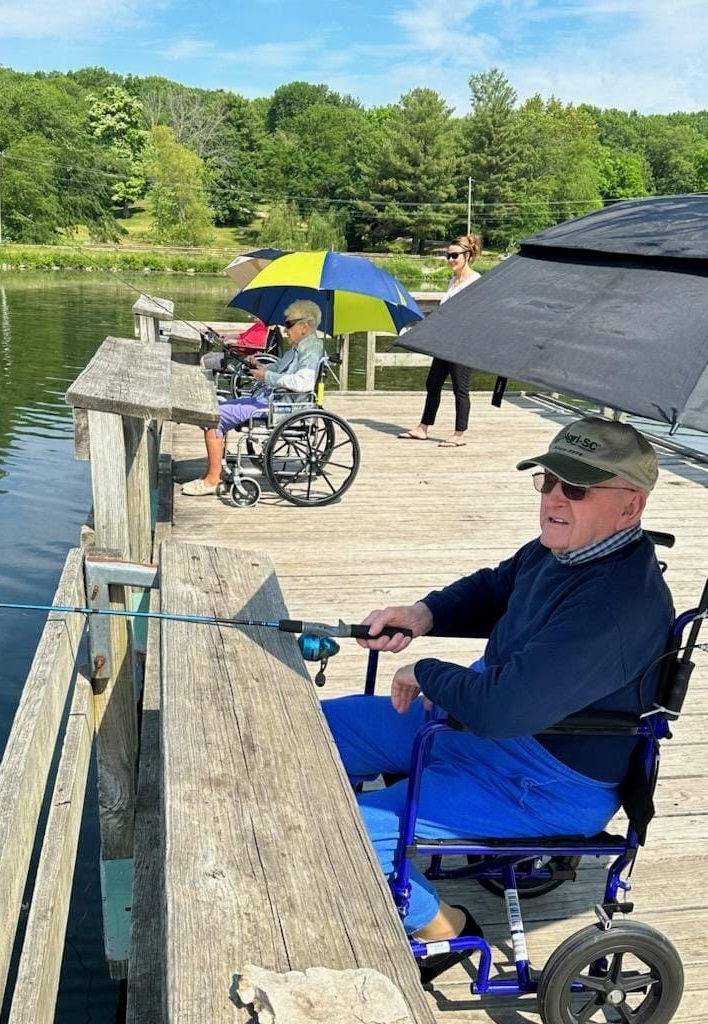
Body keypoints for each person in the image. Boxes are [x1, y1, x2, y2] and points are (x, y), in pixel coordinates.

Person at [323, 415, 672, 985]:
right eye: (549, 480)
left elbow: (499, 709)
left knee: (343, 831)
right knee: (315, 734)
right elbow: (497, 586)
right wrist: (421, 615)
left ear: (630, 506)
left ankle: (449, 928)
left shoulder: (614, 607)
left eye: (576, 488)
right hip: (480, 723)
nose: (555, 498)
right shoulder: (562, 551)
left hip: (543, 777)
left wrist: (428, 670)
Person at [182, 300, 324, 496]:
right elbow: (280, 368)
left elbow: (303, 384)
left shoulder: (311, 351)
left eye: (289, 325)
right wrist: (259, 366)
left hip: (282, 407)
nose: (285, 330)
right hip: (271, 399)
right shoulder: (300, 348)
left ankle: (213, 480)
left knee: (214, 418)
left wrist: (267, 376)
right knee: (216, 407)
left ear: (304, 326)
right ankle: (214, 472)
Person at [398, 234, 482, 447]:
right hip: (444, 343)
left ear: (467, 255)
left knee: (460, 388)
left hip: (462, 344)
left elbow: (476, 315)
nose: (451, 259)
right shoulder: (453, 281)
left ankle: (459, 434)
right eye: (448, 256)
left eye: (454, 255)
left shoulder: (476, 282)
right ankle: (423, 428)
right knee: (432, 383)